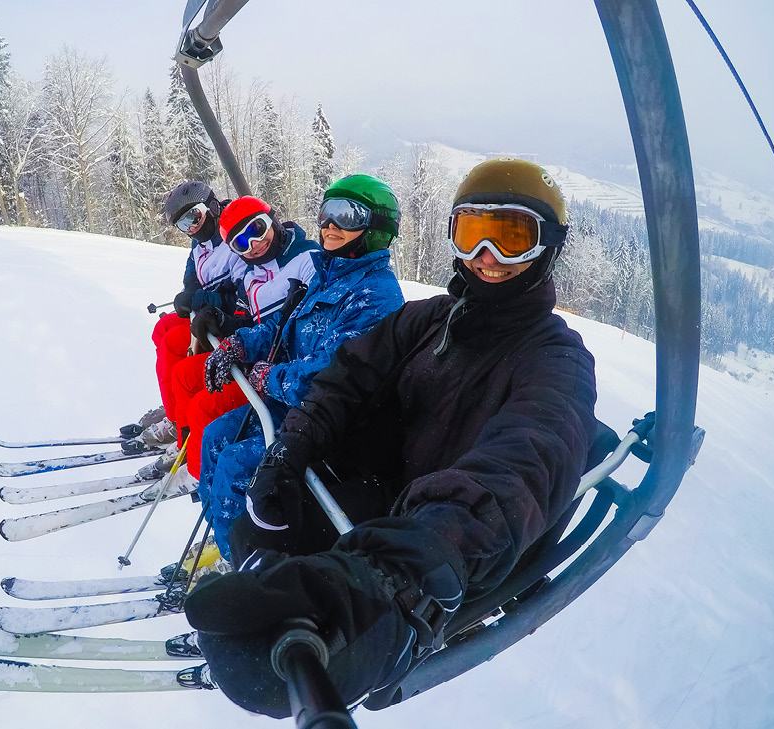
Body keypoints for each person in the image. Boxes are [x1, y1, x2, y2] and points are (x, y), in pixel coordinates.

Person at [183, 158, 599, 718]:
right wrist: (290, 451)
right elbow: (345, 379)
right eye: (473, 235)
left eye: (511, 239)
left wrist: (399, 573)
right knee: (253, 530)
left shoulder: (557, 360)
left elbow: (520, 467)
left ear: (549, 246)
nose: (487, 259)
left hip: (430, 545)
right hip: (373, 496)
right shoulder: (431, 319)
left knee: (322, 607)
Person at [194, 174, 406, 560]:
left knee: (236, 465)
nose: (329, 226)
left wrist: (266, 377)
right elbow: (285, 323)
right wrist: (239, 344)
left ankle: (253, 564)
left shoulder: (373, 296)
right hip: (295, 406)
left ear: (376, 227)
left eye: (347, 216)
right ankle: (230, 538)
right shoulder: (329, 272)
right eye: (327, 213)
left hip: (332, 424)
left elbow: (328, 377)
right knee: (214, 437)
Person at [164, 195, 321, 481]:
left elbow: (295, 325)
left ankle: (198, 477)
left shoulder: (308, 261)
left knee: (204, 406)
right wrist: (222, 322)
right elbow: (245, 317)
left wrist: (246, 345)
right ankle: (187, 452)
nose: (253, 244)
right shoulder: (251, 275)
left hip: (282, 370)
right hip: (256, 360)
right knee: (185, 373)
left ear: (272, 219)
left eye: (256, 230)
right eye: (240, 243)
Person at [120, 181, 242, 453]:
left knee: (175, 342)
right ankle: (176, 411)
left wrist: (201, 299)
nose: (192, 229)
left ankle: (184, 422)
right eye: (184, 225)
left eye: (194, 217)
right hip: (207, 313)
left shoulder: (235, 235)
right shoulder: (201, 244)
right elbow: (192, 274)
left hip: (228, 319)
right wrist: (190, 293)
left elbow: (243, 292)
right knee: (162, 329)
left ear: (211, 207)